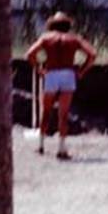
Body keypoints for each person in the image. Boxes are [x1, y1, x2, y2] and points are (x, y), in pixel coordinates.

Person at [25, 12, 97, 159]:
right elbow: (92, 54)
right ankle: (62, 148)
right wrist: (82, 71)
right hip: (68, 74)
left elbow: (30, 54)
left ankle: (41, 145)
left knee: (46, 111)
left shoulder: (46, 38)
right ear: (67, 25)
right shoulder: (74, 39)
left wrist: (39, 69)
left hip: (51, 74)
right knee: (63, 115)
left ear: (52, 25)